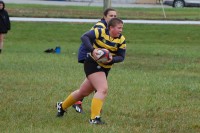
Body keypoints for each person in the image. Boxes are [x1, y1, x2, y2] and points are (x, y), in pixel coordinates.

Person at [56, 18, 126, 124]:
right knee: (102, 89)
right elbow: (84, 37)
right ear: (111, 27)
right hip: (92, 63)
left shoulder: (121, 40)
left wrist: (112, 59)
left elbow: (121, 57)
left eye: (122, 28)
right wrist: (93, 50)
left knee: (82, 92)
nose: (121, 30)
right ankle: (94, 118)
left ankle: (62, 106)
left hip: (105, 68)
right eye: (119, 28)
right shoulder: (100, 32)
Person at [72, 8, 117, 113]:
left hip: (96, 54)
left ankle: (78, 101)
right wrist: (93, 51)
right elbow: (86, 37)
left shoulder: (110, 28)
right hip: (89, 53)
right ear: (104, 17)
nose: (113, 18)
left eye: (115, 16)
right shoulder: (100, 26)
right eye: (111, 16)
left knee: (94, 80)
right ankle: (93, 108)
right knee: (99, 80)